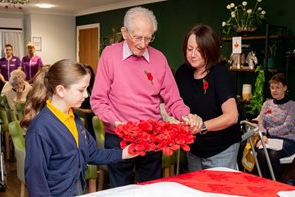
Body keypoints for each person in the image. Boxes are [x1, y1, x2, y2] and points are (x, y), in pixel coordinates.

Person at [90, 7, 201, 187]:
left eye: (148, 38)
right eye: (138, 37)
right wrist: (117, 123)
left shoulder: (159, 59)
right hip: (119, 137)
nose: (143, 44)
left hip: (152, 137)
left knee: (150, 188)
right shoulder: (109, 55)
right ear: (124, 33)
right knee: (120, 190)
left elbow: (173, 100)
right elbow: (98, 100)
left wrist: (186, 116)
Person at [21, 59, 137, 196]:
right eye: (81, 90)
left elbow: (91, 153)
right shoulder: (40, 129)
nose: (86, 95)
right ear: (60, 90)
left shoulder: (75, 119)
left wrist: (124, 153)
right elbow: (36, 180)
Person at [175, 24, 241, 172]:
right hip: (194, 148)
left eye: (199, 50)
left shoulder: (220, 74)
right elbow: (175, 103)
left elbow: (232, 116)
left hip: (221, 149)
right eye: (190, 49)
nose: (193, 54)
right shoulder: (182, 73)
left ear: (210, 50)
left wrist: (201, 127)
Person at [256, 73, 295, 180]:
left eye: (278, 87)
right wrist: (263, 134)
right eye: (272, 88)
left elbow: (287, 127)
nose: (274, 90)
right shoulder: (267, 104)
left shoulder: (292, 105)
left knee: (274, 155)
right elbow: (260, 122)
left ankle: (275, 185)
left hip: (287, 140)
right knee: (262, 153)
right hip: (268, 139)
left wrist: (268, 132)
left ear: (285, 88)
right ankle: (262, 184)